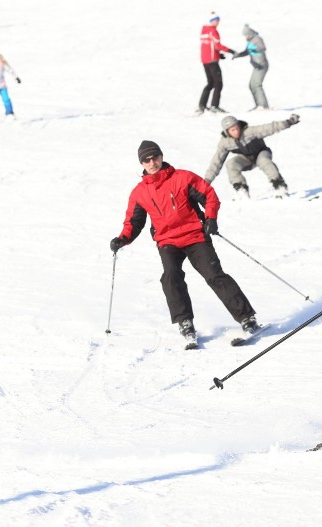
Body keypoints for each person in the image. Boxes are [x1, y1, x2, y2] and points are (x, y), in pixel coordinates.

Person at [110, 140, 261, 349]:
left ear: (161, 156)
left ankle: (247, 318)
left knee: (214, 275)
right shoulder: (140, 192)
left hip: (195, 235)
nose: (152, 162)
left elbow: (209, 195)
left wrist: (211, 219)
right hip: (167, 241)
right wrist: (122, 238)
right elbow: (134, 222)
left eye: (155, 157)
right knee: (170, 277)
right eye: (146, 160)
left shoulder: (182, 178)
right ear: (142, 164)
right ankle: (185, 323)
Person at [204, 113, 300, 199]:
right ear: (227, 132)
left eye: (237, 128)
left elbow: (269, 128)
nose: (236, 131)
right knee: (231, 164)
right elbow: (216, 162)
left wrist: (288, 122)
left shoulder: (249, 132)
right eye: (232, 130)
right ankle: (241, 190)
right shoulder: (225, 143)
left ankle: (279, 185)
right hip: (246, 159)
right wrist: (206, 182)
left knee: (264, 161)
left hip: (262, 152)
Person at [196, 12, 237, 115]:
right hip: (212, 61)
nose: (218, 22)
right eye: (216, 20)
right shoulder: (213, 31)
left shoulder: (204, 30)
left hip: (205, 60)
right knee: (218, 83)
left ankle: (202, 105)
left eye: (218, 20)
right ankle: (214, 106)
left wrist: (218, 55)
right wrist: (231, 51)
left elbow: (210, 45)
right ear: (211, 21)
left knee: (210, 83)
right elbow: (217, 45)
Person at [231, 24, 270, 110]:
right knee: (251, 85)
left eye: (246, 35)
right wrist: (238, 55)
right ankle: (258, 105)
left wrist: (254, 49)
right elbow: (247, 51)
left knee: (257, 84)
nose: (245, 37)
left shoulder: (257, 39)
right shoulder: (250, 41)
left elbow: (262, 48)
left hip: (262, 65)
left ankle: (263, 106)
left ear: (250, 33)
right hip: (256, 65)